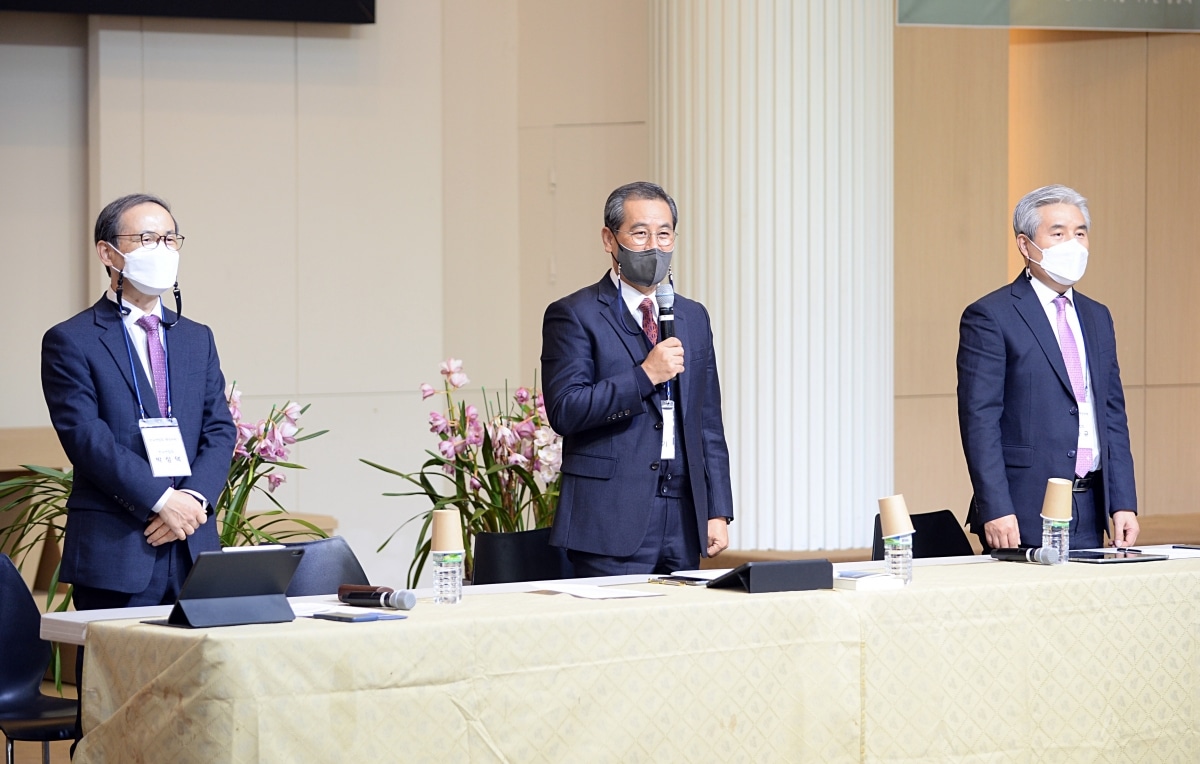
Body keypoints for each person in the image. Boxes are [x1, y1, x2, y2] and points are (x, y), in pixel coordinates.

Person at [41, 193, 236, 612]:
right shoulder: (71, 340)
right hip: (118, 548)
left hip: (192, 545)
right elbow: (86, 438)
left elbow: (219, 429)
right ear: (108, 253)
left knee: (195, 674)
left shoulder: (196, 337)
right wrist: (163, 502)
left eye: (169, 239)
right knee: (113, 676)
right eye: (147, 238)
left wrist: (193, 503)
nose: (161, 250)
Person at [540, 181, 734, 576]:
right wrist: (645, 376)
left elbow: (707, 423)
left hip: (683, 517)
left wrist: (717, 509)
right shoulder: (574, 314)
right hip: (609, 519)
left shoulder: (693, 316)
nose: (654, 246)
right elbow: (565, 409)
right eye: (640, 233)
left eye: (664, 234)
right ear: (610, 240)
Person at [957, 184, 1138, 552]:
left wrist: (1123, 502)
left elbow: (1111, 414)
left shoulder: (1097, 316)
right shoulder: (991, 315)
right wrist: (996, 507)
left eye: (1080, 233)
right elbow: (980, 419)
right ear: (1026, 246)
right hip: (1022, 510)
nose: (1073, 244)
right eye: (1058, 233)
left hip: (1091, 506)